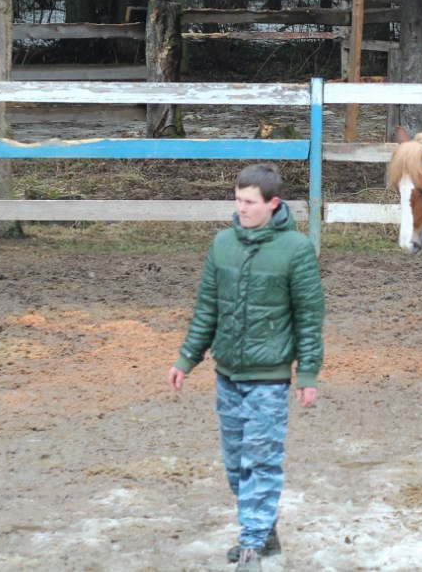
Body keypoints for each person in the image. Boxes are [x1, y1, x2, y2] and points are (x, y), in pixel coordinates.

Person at [167, 164, 324, 572]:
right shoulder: (222, 244)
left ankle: (252, 545)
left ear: (273, 204)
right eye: (237, 201)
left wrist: (307, 374)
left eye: (249, 203)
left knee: (262, 459)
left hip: (269, 378)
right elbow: (207, 308)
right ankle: (264, 530)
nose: (241, 209)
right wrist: (187, 358)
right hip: (227, 375)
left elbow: (309, 317)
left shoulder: (296, 250)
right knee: (236, 464)